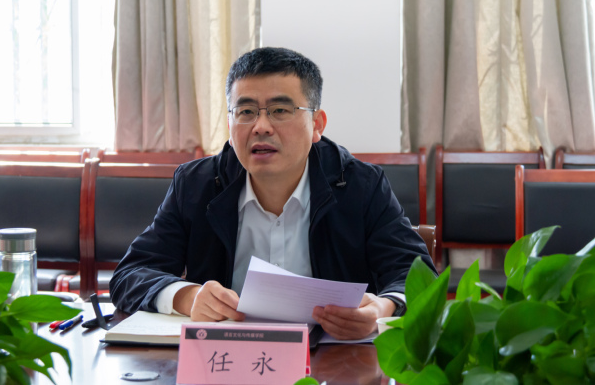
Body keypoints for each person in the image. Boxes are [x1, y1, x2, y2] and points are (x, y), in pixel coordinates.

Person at [110, 47, 436, 340]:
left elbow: (416, 274)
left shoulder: (360, 185)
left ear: (317, 124)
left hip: (332, 362)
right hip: (226, 359)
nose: (261, 126)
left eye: (280, 110)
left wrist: (381, 309)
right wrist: (188, 297)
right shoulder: (197, 184)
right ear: (230, 125)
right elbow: (130, 274)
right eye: (246, 112)